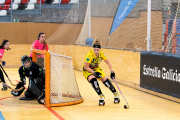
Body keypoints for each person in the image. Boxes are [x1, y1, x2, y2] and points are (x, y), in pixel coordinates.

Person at [83, 38, 120, 106]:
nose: (96, 51)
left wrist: (111, 71)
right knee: (94, 82)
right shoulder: (89, 55)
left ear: (100, 49)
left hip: (96, 68)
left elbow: (108, 62)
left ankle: (116, 94)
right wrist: (94, 73)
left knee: (107, 82)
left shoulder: (101, 54)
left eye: (98, 50)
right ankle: (101, 96)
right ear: (93, 49)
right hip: (88, 70)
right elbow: (86, 67)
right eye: (95, 50)